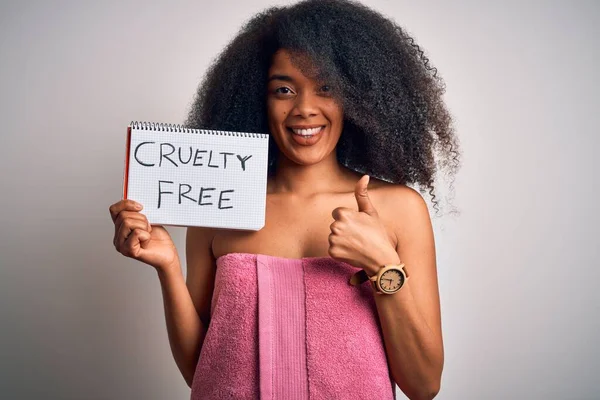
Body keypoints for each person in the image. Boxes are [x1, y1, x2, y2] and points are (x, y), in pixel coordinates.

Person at [109, 0, 460, 398]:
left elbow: (424, 385)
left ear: (357, 98)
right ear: (257, 99)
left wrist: (383, 266)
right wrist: (168, 268)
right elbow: (201, 371)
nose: (305, 108)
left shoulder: (398, 208)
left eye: (326, 88)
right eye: (284, 90)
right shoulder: (219, 205)